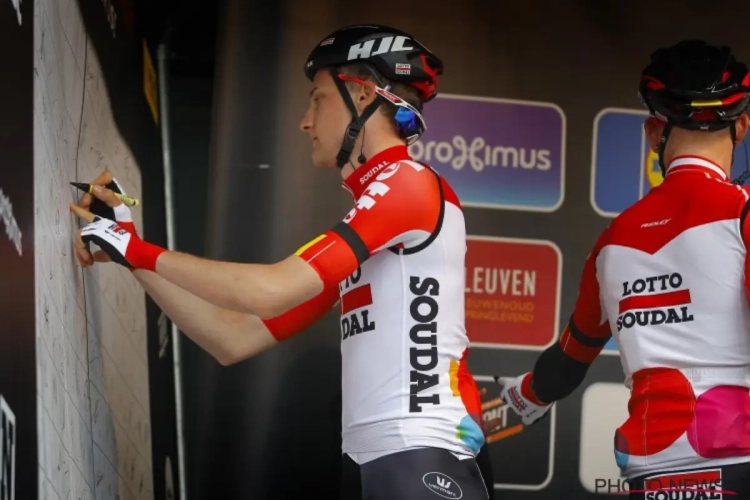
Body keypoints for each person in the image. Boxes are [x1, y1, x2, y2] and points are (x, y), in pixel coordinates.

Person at [70, 24, 490, 500]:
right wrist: (129, 252)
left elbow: (269, 291)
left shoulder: (408, 183)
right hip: (373, 462)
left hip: (423, 456)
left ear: (362, 93)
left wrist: (136, 250)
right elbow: (232, 336)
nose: (305, 122)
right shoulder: (376, 218)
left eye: (317, 99)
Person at [494, 39, 750, 499]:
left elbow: (565, 367)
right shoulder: (743, 214)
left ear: (653, 133)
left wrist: (520, 398)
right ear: (743, 126)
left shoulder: (612, 241)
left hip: (651, 472)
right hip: (739, 460)